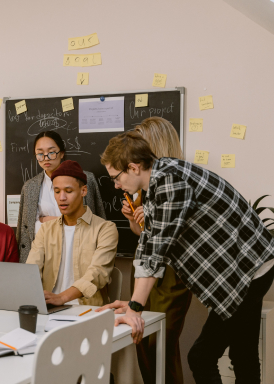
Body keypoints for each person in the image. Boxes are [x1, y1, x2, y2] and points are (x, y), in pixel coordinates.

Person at [99, 131, 274, 384]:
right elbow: (149, 241)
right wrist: (134, 304)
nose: (115, 185)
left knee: (202, 357)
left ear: (134, 167)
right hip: (251, 267)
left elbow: (157, 249)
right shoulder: (159, 180)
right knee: (242, 353)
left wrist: (136, 307)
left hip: (249, 269)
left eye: (116, 177)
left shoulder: (170, 181)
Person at [120, 117, 193, 384]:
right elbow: (144, 235)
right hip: (144, 268)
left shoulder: (176, 180)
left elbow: (175, 238)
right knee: (140, 338)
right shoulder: (143, 180)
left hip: (172, 272)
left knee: (161, 343)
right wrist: (133, 219)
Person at [26, 160, 118, 306]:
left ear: (84, 191)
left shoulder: (105, 229)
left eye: (68, 191)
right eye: (57, 191)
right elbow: (31, 269)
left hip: (86, 310)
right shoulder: (46, 229)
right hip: (49, 307)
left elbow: (97, 274)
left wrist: (62, 298)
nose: (62, 197)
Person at [17, 130, 106, 263]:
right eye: (40, 154)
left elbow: (95, 219)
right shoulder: (30, 187)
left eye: (51, 152)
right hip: (43, 256)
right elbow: (28, 230)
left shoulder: (86, 179)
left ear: (62, 153)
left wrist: (45, 220)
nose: (46, 158)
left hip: (80, 253)